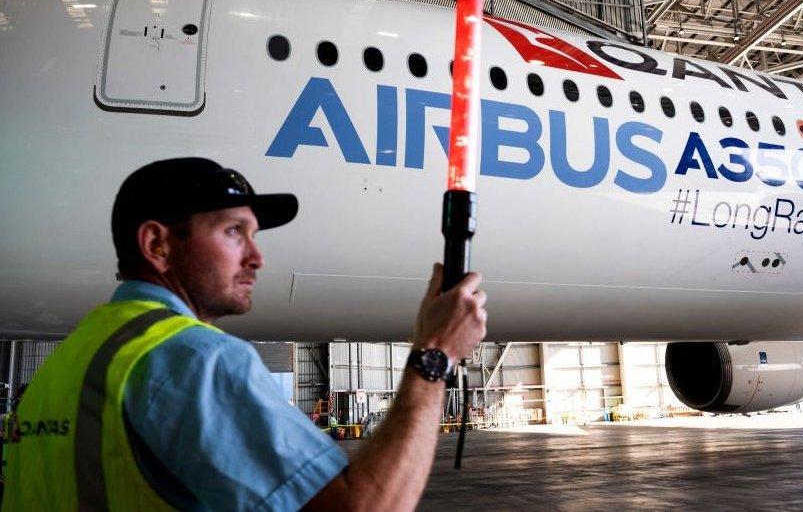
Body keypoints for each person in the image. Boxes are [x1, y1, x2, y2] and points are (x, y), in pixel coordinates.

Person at [2, 157, 487, 510]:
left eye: (254, 235)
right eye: (234, 232)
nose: (257, 257)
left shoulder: (68, 366)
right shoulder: (193, 360)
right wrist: (435, 354)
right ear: (157, 244)